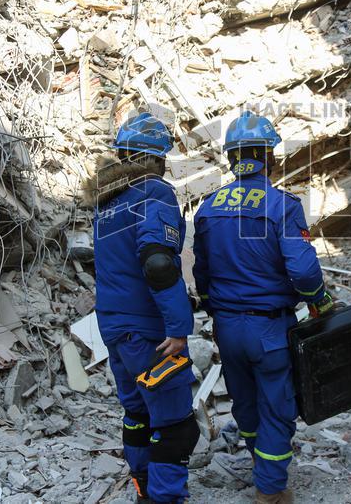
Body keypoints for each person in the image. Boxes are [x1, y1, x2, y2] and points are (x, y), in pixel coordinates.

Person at [192, 112, 334, 504]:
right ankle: (271, 490)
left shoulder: (208, 208)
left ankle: (260, 463)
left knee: (245, 401)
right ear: (268, 156)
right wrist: (321, 302)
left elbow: (201, 272)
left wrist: (214, 309)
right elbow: (304, 271)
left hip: (226, 326)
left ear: (231, 158)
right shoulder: (282, 205)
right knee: (277, 407)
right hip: (269, 329)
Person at [89, 113, 197, 504]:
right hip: (149, 330)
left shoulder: (107, 202)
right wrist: (179, 325)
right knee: (174, 425)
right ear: (158, 158)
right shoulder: (154, 192)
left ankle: (144, 492)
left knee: (137, 415)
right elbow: (157, 262)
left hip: (114, 328)